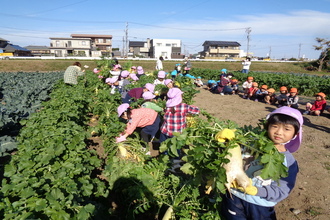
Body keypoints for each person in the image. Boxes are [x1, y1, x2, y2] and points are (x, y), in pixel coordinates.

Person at [222, 106, 303, 220]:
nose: (279, 132)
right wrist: (227, 140)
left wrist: (256, 191)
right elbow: (228, 156)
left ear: (295, 134)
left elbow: (282, 190)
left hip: (259, 204)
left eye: (287, 129)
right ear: (267, 127)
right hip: (234, 195)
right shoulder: (249, 143)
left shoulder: (289, 163)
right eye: (274, 126)